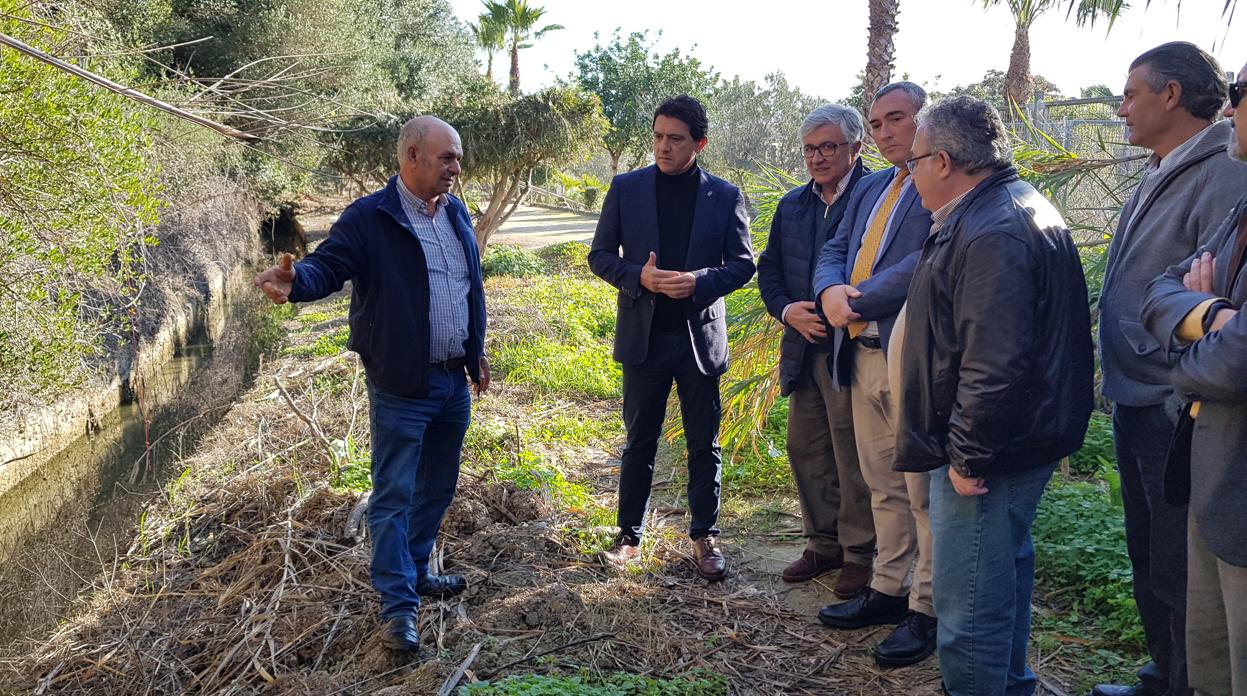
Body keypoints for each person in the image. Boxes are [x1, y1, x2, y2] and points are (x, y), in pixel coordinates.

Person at [253, 116, 489, 654]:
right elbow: (329, 267)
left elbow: (468, 286)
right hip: (402, 384)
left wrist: (477, 351)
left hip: (453, 381)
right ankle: (398, 607)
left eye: (457, 157)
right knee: (394, 496)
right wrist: (297, 283)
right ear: (411, 156)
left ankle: (416, 570)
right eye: (447, 157)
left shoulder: (455, 212)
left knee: (437, 487)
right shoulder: (370, 218)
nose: (457, 167)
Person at [896, 95, 1094, 696]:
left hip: (991, 455)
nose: (908, 175)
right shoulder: (999, 210)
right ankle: (1012, 686)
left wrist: (966, 455)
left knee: (970, 609)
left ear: (947, 161)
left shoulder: (993, 230)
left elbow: (995, 362)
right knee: (999, 579)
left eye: (914, 161)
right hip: (1011, 443)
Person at [1095, 41, 1247, 696]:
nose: (1121, 107)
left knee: (1180, 570)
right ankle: (1163, 673)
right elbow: (1165, 288)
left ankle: (1182, 682)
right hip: (1140, 397)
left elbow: (1209, 300)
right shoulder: (1162, 166)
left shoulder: (1225, 173)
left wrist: (1198, 317)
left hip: (1177, 403)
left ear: (1171, 95)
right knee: (1148, 554)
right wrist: (1196, 309)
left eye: (1130, 93)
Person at [587, 95, 755, 581]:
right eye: (658, 136)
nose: (664, 146)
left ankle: (705, 536)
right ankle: (629, 536)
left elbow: (742, 264)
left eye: (675, 139)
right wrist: (640, 276)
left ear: (699, 143)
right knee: (640, 441)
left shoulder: (723, 196)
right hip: (645, 339)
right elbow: (599, 256)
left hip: (700, 341)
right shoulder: (627, 188)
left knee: (704, 442)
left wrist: (699, 281)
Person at [812, 81, 937, 667]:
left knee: (923, 494)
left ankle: (927, 608)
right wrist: (829, 290)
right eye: (877, 122)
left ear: (925, 120)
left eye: (897, 119)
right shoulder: (871, 187)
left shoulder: (941, 182)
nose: (886, 131)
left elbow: (927, 259)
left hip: (905, 356)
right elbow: (834, 245)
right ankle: (886, 590)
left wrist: (855, 301)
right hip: (858, 354)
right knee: (882, 483)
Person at [1140, 59, 1247, 696]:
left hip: (1238, 485)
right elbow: (1159, 290)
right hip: (1213, 475)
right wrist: (1210, 315)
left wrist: (1185, 354)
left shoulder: (1221, 180)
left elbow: (1237, 362)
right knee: (1212, 663)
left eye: (1239, 93)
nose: (1230, 109)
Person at [756, 103, 876, 594]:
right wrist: (789, 312)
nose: (818, 158)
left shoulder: (875, 197)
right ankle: (822, 544)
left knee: (852, 454)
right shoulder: (793, 205)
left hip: (853, 350)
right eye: (810, 149)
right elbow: (770, 271)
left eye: (829, 147)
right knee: (806, 447)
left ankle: (859, 554)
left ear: (855, 148)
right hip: (804, 348)